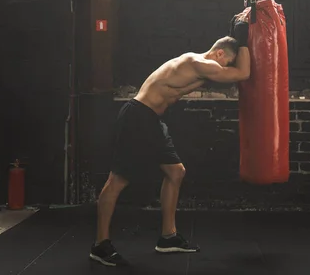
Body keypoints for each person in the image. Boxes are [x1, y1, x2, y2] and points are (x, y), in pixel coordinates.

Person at [89, 15, 250, 267]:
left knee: (176, 172)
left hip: (151, 120)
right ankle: (100, 245)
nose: (226, 68)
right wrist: (245, 39)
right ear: (219, 54)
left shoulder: (197, 64)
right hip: (138, 117)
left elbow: (235, 73)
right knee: (117, 180)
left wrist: (238, 37)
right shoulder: (197, 62)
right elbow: (243, 73)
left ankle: (168, 237)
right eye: (226, 62)